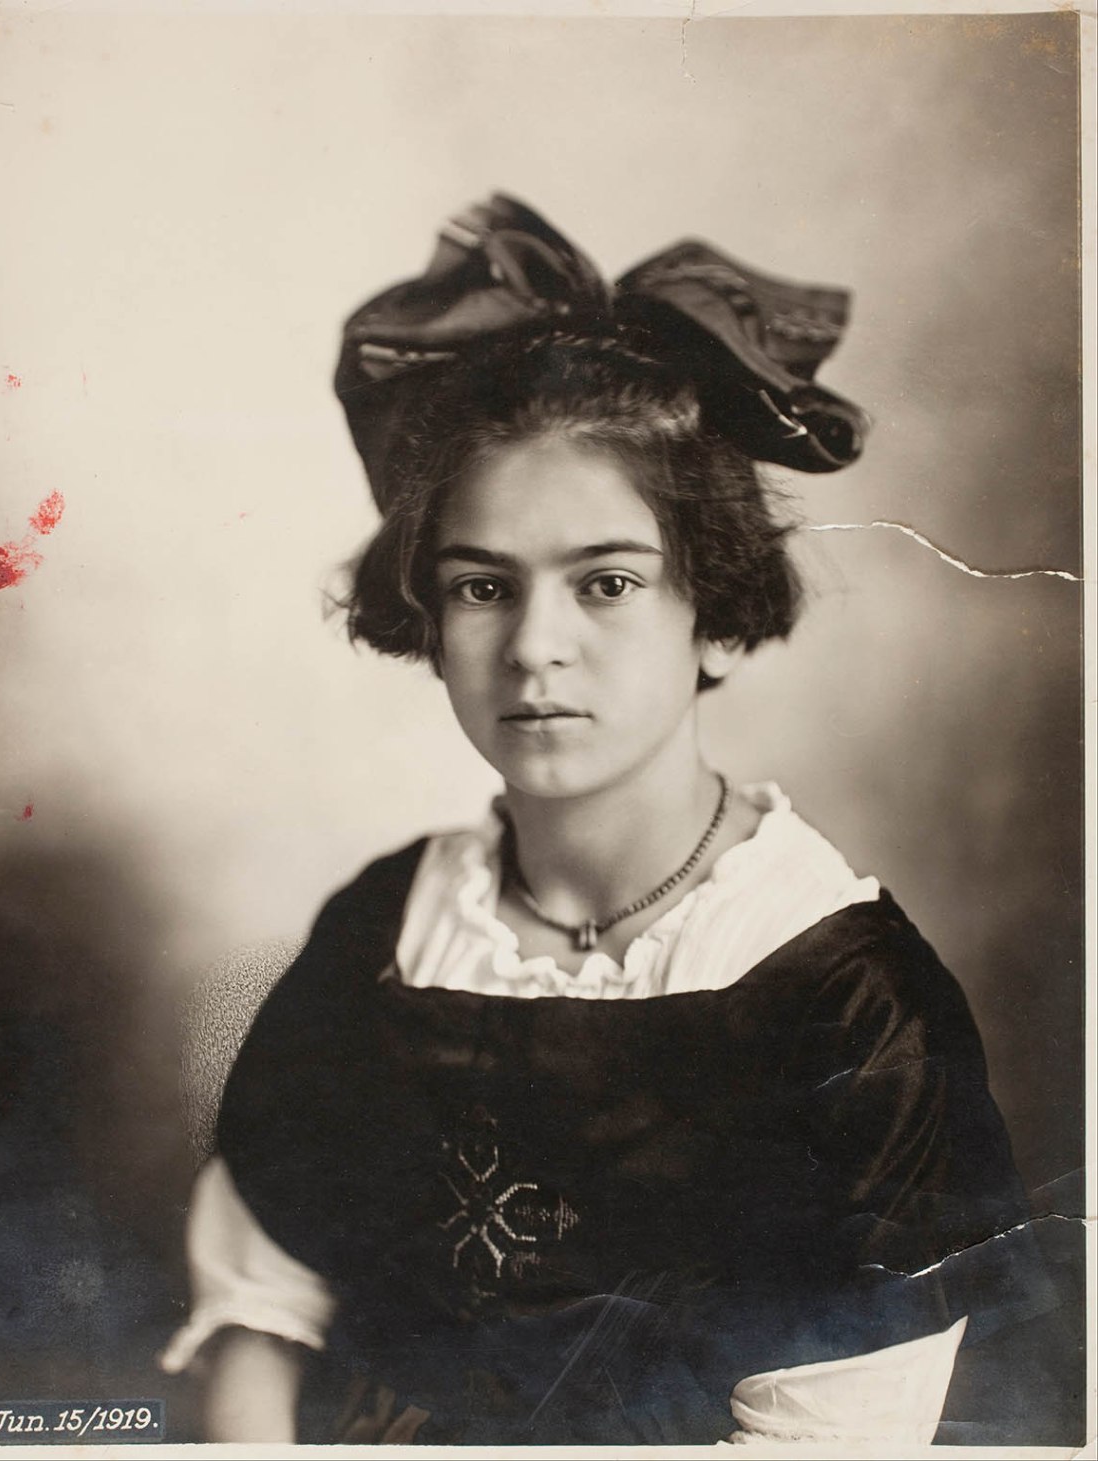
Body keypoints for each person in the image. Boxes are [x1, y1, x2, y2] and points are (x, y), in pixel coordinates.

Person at [162, 196, 1035, 1447]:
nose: (535, 648)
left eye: (608, 582)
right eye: (482, 587)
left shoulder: (849, 1001)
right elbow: (264, 1304)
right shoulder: (387, 929)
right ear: (431, 622)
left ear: (716, 614)